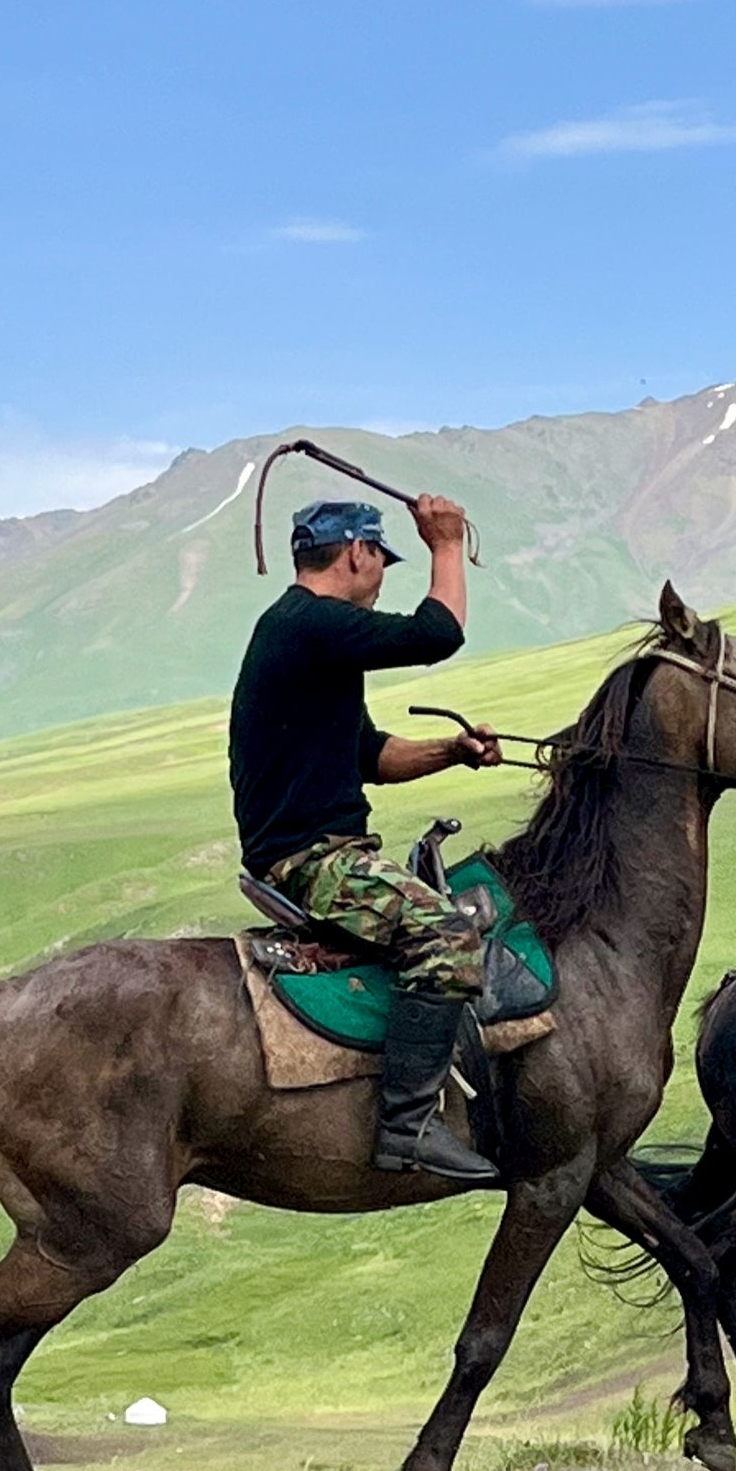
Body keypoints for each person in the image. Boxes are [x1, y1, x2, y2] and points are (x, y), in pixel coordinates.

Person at [229, 493, 504, 1185]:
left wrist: (452, 752)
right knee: (447, 936)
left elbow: (369, 755)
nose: (381, 571)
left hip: (319, 851)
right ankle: (407, 1128)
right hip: (310, 861)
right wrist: (445, 542)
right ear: (359, 552)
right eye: (382, 557)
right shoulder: (312, 623)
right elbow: (436, 633)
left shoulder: (304, 640)